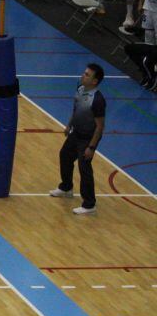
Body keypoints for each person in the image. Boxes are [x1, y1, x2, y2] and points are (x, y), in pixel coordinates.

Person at [49, 63, 106, 215]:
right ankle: (66, 187)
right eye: (84, 73)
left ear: (95, 81)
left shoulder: (98, 100)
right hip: (76, 133)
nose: (83, 75)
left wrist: (91, 147)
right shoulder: (80, 90)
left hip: (88, 138)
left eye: (87, 75)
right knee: (65, 156)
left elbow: (100, 127)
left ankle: (89, 204)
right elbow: (76, 109)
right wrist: (69, 125)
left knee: (84, 168)